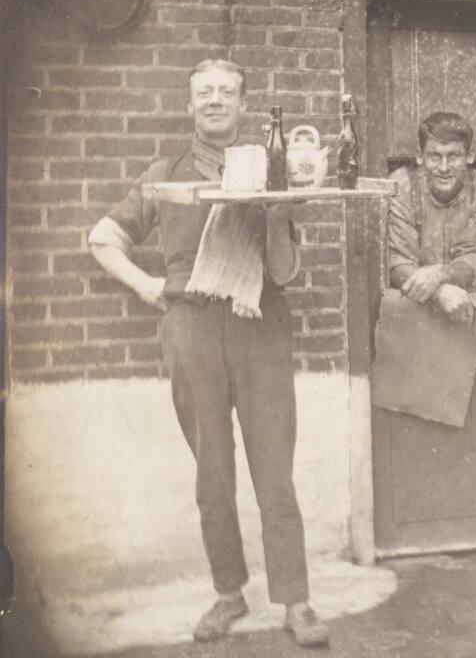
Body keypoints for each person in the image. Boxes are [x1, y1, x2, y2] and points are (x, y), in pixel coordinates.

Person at [89, 59, 329, 648]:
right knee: (213, 474)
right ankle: (229, 593)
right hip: (191, 329)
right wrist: (147, 287)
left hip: (260, 326)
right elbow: (102, 236)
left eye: (226, 92)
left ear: (244, 105)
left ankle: (296, 602)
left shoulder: (268, 169)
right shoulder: (162, 173)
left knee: (274, 468)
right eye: (205, 93)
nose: (215, 101)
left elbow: (285, 270)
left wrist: (277, 210)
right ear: (189, 104)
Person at [388, 112, 476, 319]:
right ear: (420, 156)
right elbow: (396, 263)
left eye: (454, 156)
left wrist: (440, 274)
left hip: (465, 306)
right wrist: (439, 291)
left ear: (469, 156)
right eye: (435, 156)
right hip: (409, 309)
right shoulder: (401, 186)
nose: (444, 168)